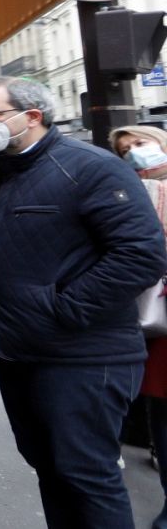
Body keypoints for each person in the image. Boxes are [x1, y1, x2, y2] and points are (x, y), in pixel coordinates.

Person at [0, 74, 165, 529]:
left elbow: (141, 255)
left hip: (84, 357)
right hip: (18, 351)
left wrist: (62, 310)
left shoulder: (90, 166)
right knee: (52, 471)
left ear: (31, 116)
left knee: (86, 476)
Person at [109, 123, 167, 529]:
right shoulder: (129, 194)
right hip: (157, 325)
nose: (135, 153)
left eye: (141, 144)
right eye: (126, 149)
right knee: (161, 415)